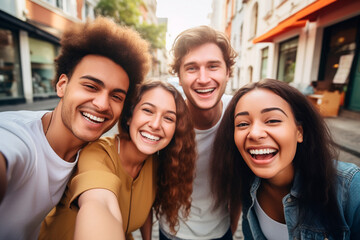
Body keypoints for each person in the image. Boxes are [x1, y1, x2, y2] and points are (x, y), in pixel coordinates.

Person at [0, 17, 151, 239]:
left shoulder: (93, 152)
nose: (101, 104)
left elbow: (100, 202)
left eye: (116, 96)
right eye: (91, 86)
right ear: (62, 85)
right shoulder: (15, 138)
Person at [39, 80, 196, 240]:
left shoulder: (154, 162)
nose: (156, 125)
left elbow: (145, 205)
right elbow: (101, 203)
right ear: (129, 116)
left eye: (168, 118)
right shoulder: (97, 154)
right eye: (148, 110)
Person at [211, 78, 360, 239]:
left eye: (272, 120)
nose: (254, 133)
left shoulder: (350, 188)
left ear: (299, 132)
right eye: (242, 124)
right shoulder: (246, 183)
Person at [159, 25, 238, 240]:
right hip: (172, 233)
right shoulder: (164, 120)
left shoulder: (240, 116)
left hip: (222, 232)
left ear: (228, 72)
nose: (203, 79)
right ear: (179, 76)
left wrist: (233, 225)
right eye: (192, 68)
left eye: (213, 66)